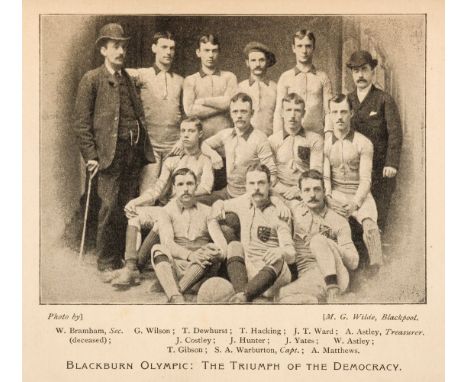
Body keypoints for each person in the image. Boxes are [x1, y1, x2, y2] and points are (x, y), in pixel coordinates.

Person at [73, 23, 154, 274]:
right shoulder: (92, 79)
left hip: (132, 154)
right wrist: (91, 156)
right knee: (108, 207)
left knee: (126, 206)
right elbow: (81, 123)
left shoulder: (127, 78)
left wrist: (141, 149)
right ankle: (106, 261)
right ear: (103, 50)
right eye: (115, 46)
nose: (121, 51)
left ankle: (120, 257)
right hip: (107, 157)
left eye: (123, 46)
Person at [109, 117, 215, 287]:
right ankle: (130, 267)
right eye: (183, 131)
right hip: (168, 210)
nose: (186, 135)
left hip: (189, 212)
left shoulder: (205, 161)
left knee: (162, 220)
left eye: (191, 131)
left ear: (200, 134)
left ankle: (135, 269)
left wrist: (181, 198)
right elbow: (157, 190)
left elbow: (206, 188)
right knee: (135, 214)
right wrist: (137, 201)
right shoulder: (172, 161)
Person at [211, 164, 296, 303]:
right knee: (234, 245)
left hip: (273, 277)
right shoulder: (243, 202)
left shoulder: (280, 213)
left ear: (270, 185)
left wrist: (281, 251)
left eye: (261, 183)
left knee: (278, 259)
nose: (256, 188)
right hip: (248, 272)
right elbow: (218, 206)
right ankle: (242, 296)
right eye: (252, 183)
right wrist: (218, 204)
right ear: (246, 186)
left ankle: (244, 295)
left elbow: (291, 255)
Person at [324, 94, 383, 272]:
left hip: (359, 194)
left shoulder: (363, 143)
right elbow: (326, 178)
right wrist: (328, 197)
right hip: (336, 193)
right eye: (335, 112)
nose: (339, 117)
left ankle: (377, 272)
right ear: (330, 115)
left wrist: (355, 204)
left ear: (351, 113)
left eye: (343, 111)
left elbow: (366, 181)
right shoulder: (326, 144)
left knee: (371, 228)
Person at [280, 170, 359, 303]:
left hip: (337, 275)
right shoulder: (295, 208)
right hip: (308, 275)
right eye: (307, 190)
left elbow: (354, 262)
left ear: (324, 191)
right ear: (300, 193)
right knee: (282, 296)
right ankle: (320, 301)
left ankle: (333, 290)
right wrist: (277, 203)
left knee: (318, 240)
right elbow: (266, 193)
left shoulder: (338, 220)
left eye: (317, 189)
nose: (312, 195)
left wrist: (329, 245)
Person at [150, 168, 228, 303]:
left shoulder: (208, 211)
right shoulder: (165, 212)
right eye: (180, 184)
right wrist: (191, 255)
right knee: (158, 249)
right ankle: (176, 295)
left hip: (200, 270)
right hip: (175, 267)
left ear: (196, 186)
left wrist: (216, 252)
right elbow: (168, 243)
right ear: (174, 188)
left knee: (210, 252)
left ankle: (174, 293)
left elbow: (222, 246)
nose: (185, 189)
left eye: (189, 184)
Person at [346, 50, 403, 231]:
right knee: (356, 215)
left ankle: (377, 254)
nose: (360, 75)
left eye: (364, 69)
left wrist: (391, 163)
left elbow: (395, 133)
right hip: (355, 169)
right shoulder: (347, 100)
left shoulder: (384, 100)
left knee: (378, 216)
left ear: (373, 72)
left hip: (380, 170)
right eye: (356, 71)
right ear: (352, 74)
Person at [126, 31, 184, 192]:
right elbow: (118, 74)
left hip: (174, 147)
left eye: (172, 48)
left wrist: (182, 140)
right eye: (164, 47)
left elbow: (187, 115)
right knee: (147, 193)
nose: (168, 52)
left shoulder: (180, 81)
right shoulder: (142, 74)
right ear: (154, 48)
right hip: (150, 147)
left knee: (174, 195)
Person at [201, 92, 277, 202]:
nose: (239, 115)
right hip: (227, 192)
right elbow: (204, 144)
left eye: (244, 111)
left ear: (252, 113)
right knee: (197, 202)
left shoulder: (260, 138)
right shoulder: (226, 134)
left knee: (228, 217)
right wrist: (213, 155)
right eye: (235, 111)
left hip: (249, 197)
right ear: (231, 114)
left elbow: (272, 175)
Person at [273, 29, 332, 135]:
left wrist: (328, 136)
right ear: (293, 48)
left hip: (317, 135)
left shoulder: (323, 77)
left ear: (313, 48)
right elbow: (278, 112)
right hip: (292, 135)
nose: (304, 51)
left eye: (308, 46)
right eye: (299, 46)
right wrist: (278, 138)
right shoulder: (285, 77)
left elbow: (329, 112)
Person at [269, 93, 323, 203]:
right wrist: (287, 191)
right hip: (279, 193)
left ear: (303, 113)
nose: (292, 115)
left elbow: (316, 172)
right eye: (288, 110)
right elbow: (271, 177)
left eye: (297, 110)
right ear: (282, 113)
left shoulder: (315, 139)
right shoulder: (272, 141)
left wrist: (300, 189)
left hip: (307, 193)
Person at [183, 34, 237, 138]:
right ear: (198, 52)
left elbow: (230, 103)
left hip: (225, 138)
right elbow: (190, 111)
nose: (211, 55)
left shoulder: (229, 77)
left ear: (219, 52)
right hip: (200, 140)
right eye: (206, 50)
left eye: (214, 50)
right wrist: (222, 107)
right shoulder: (190, 80)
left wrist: (204, 102)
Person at [237, 41, 277, 136]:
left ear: (267, 62)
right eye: (253, 60)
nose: (257, 64)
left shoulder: (275, 87)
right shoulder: (240, 87)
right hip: (246, 140)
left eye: (261, 60)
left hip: (270, 139)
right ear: (247, 63)